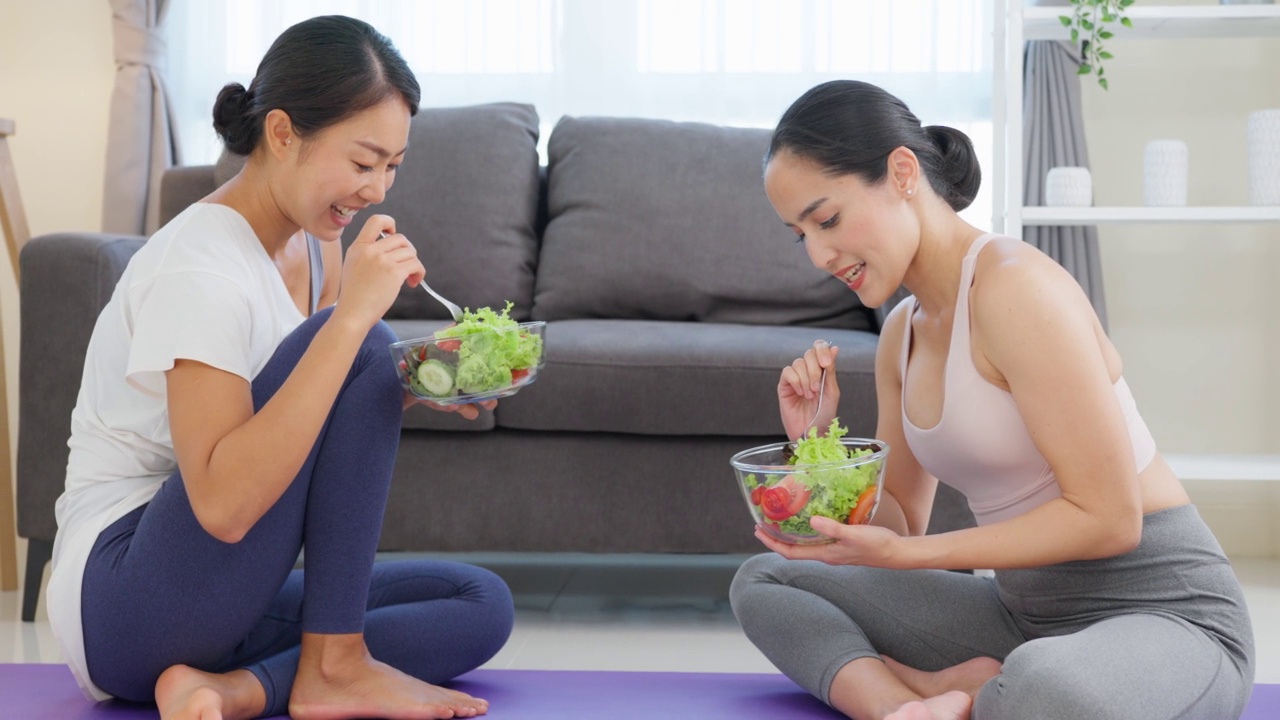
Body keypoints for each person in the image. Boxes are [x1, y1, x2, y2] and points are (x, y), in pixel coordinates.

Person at [729, 79, 1255, 720]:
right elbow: (896, 523)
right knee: (765, 582)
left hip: (1166, 617)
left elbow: (1112, 518)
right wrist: (819, 449)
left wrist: (910, 557)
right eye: (799, 235)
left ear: (901, 172)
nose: (817, 254)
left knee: (1046, 685)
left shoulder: (1015, 286)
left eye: (827, 219)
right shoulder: (901, 332)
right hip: (1022, 614)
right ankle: (906, 705)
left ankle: (973, 692)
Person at [46, 15, 514, 720]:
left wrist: (413, 386)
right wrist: (356, 319)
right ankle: (332, 667)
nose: (378, 189)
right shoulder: (199, 265)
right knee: (358, 340)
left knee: (478, 605)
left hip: (218, 594)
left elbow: (313, 411)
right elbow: (224, 506)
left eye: (393, 165)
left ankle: (243, 688)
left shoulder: (315, 247)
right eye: (363, 163)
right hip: (125, 596)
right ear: (283, 133)